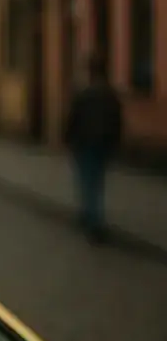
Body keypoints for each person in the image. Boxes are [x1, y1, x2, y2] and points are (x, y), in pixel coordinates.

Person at [62, 53, 123, 243]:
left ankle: (92, 220)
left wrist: (68, 139)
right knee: (97, 181)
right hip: (103, 143)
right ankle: (91, 216)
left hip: (85, 143)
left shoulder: (84, 93)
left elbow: (74, 118)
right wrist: (115, 142)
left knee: (87, 181)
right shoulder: (110, 94)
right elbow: (117, 120)